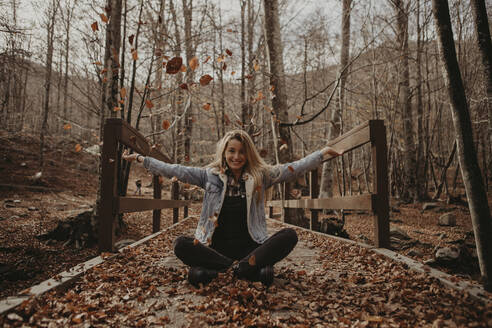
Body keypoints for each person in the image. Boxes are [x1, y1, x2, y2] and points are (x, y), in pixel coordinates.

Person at [123, 130, 342, 288]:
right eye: (232, 151)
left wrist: (321, 155)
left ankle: (237, 268)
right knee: (181, 244)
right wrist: (143, 159)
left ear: (248, 155)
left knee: (290, 235)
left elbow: (291, 169)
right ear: (224, 152)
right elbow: (175, 169)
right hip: (216, 250)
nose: (236, 157)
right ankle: (239, 269)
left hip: (250, 248)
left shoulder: (260, 176)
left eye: (241, 152)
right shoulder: (208, 176)